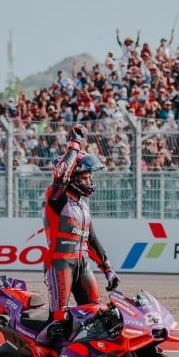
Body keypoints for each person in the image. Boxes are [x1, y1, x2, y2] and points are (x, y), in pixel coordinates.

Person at [40, 124, 120, 344]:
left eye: (89, 176)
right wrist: (75, 144)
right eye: (84, 176)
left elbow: (92, 240)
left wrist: (108, 269)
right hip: (60, 264)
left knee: (95, 317)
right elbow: (60, 176)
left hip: (83, 264)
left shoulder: (83, 205)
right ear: (72, 175)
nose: (88, 181)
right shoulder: (56, 198)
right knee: (60, 322)